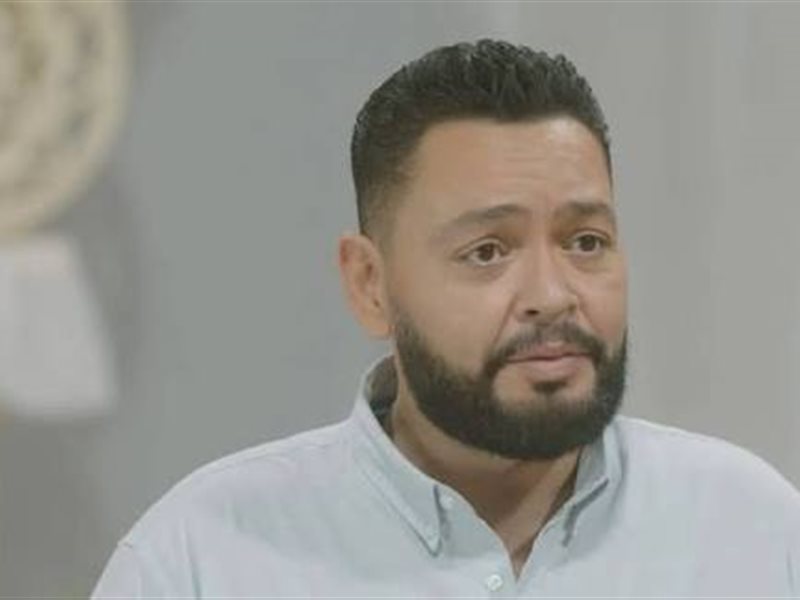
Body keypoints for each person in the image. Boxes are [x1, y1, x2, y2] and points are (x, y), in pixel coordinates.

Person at [92, 39, 800, 597]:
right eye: (487, 251)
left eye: (586, 242)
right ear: (369, 285)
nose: (553, 294)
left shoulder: (753, 532)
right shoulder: (201, 560)